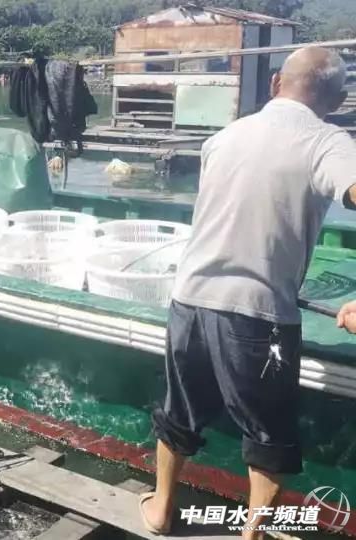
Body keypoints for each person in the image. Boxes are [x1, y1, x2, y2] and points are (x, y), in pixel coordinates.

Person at [139, 46, 356, 539]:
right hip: (260, 315)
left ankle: (161, 510)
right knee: (268, 435)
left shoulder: (223, 137)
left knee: (179, 411)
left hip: (190, 300)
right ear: (338, 101)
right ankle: (252, 534)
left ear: (276, 83)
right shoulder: (327, 141)